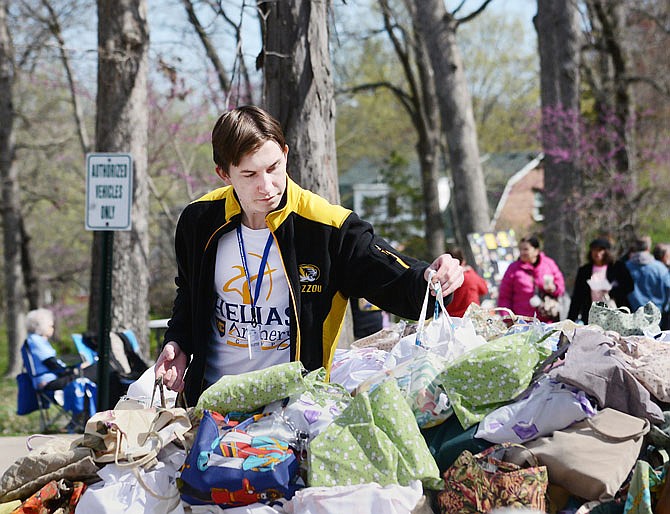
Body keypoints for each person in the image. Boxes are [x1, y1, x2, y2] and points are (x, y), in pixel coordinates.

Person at [154, 105, 464, 405]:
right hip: (210, 403)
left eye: (274, 167)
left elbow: (397, 280)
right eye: (249, 175)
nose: (266, 186)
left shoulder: (329, 227)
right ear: (224, 174)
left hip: (293, 411)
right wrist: (177, 341)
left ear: (286, 154)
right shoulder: (198, 220)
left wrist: (434, 279)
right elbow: (188, 295)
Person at [24, 308, 97, 391]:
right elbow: (52, 364)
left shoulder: (34, 340)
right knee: (94, 371)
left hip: (51, 379)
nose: (52, 329)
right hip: (49, 382)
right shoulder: (37, 342)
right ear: (40, 326)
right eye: (50, 326)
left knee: (90, 371)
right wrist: (75, 370)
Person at [497, 235, 565, 322]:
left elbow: (561, 287)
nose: (522, 252)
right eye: (520, 249)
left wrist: (553, 288)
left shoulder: (549, 264)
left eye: (525, 249)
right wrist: (507, 319)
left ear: (536, 251)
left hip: (547, 321)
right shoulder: (513, 269)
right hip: (523, 323)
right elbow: (504, 297)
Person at [567, 238, 634, 324]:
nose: (597, 253)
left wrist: (611, 292)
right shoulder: (584, 271)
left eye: (600, 250)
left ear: (606, 252)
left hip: (615, 313)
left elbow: (629, 286)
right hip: (591, 315)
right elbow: (577, 297)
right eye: (594, 250)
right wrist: (570, 320)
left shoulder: (618, 267)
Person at [626, 236, 670, 316]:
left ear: (635, 248)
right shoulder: (660, 268)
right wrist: (665, 308)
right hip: (656, 315)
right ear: (648, 248)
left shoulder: (625, 267)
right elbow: (668, 289)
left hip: (631, 315)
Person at [445, 247, 488, 317]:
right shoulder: (470, 275)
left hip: (451, 318)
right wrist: (471, 271)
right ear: (463, 261)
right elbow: (484, 289)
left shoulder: (445, 278)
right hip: (471, 316)